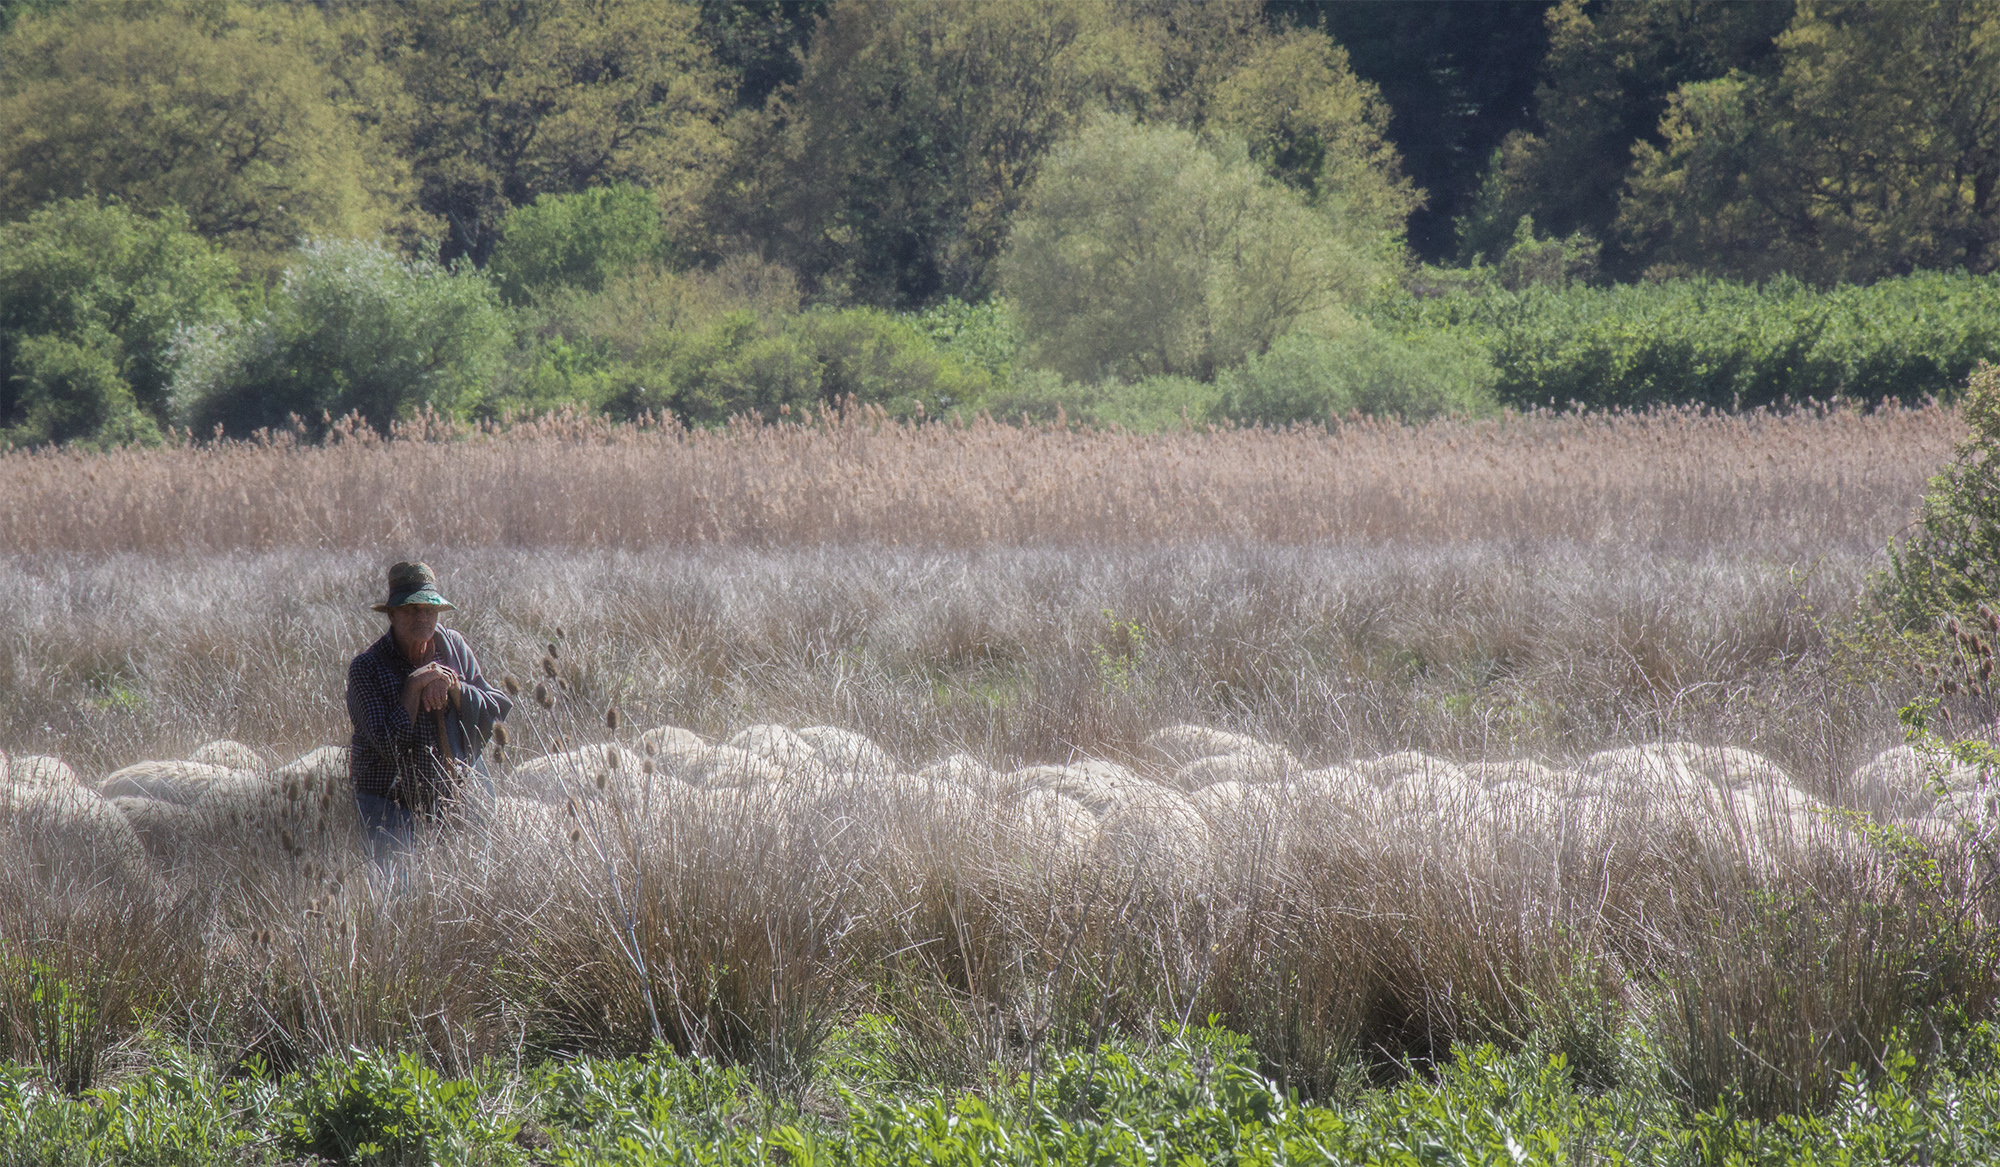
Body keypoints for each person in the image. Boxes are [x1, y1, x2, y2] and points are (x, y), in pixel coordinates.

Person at [346, 561, 510, 862]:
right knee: (395, 889)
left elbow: (496, 707)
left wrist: (454, 689)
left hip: (450, 795)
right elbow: (387, 744)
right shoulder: (366, 668)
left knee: (465, 882)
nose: (422, 617)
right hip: (388, 800)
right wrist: (413, 688)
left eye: (429, 609)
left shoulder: (454, 647)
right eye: (412, 609)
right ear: (392, 615)